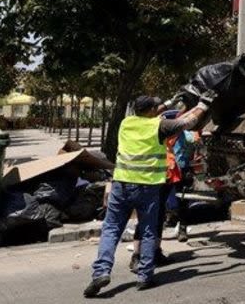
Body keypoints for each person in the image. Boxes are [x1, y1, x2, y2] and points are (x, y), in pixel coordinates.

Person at [83, 93, 213, 298]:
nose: (160, 107)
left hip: (121, 185)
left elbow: (157, 111)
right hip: (147, 188)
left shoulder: (126, 123)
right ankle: (144, 276)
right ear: (152, 111)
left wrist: (174, 101)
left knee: (111, 229)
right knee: (149, 230)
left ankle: (101, 272)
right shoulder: (159, 126)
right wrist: (204, 104)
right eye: (158, 106)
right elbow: (189, 122)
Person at [129, 113, 201, 272]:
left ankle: (154, 252)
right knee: (148, 216)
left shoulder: (147, 127)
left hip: (165, 175)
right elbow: (183, 123)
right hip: (154, 178)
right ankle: (137, 256)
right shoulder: (157, 128)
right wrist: (202, 106)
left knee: (159, 214)